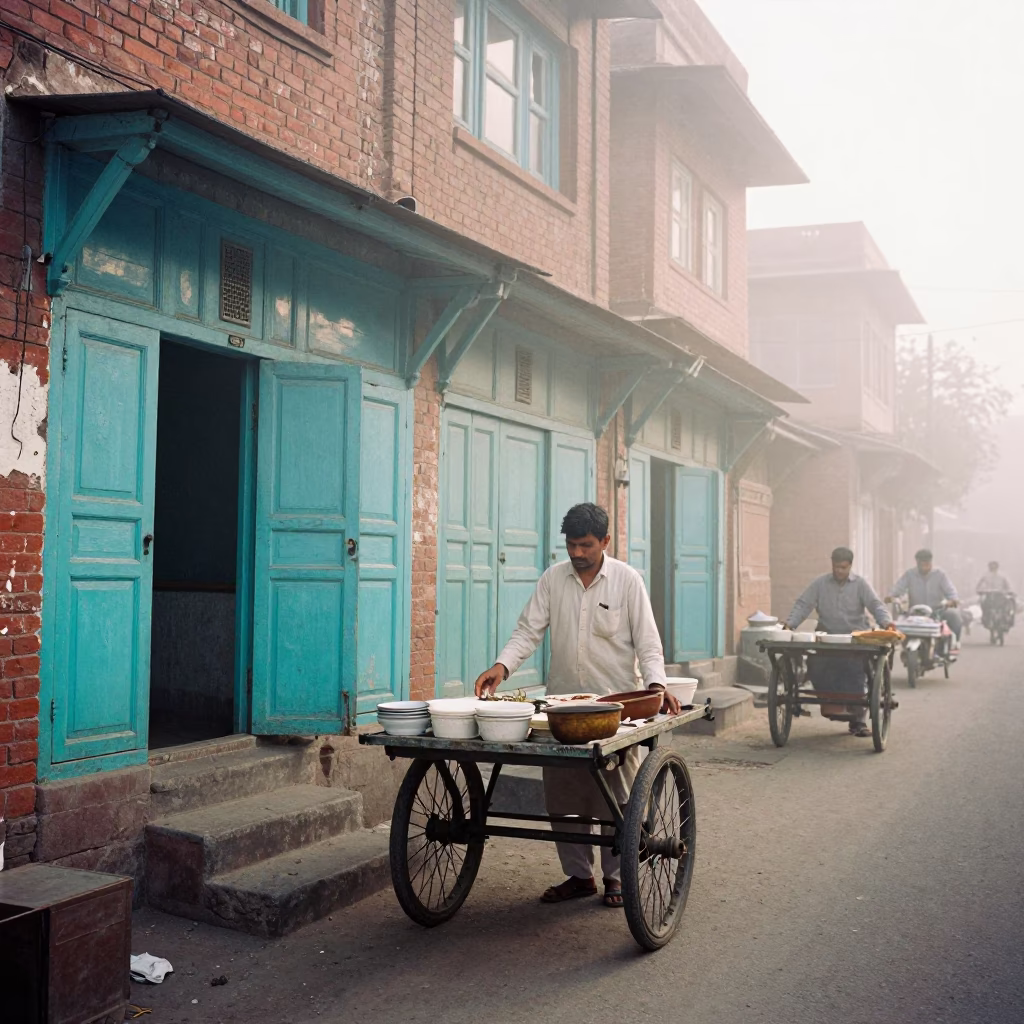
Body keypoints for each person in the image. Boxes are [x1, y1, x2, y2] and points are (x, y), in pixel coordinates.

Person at [473, 502, 679, 909]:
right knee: (564, 796)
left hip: (617, 711)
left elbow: (648, 642)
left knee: (618, 796)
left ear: (605, 541)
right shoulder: (553, 579)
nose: (578, 553)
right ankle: (579, 876)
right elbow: (527, 632)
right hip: (563, 709)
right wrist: (501, 667)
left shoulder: (627, 581)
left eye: (586, 545)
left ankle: (616, 877)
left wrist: (657, 686)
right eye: (571, 545)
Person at [782, 546, 893, 738]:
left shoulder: (860, 584)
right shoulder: (820, 583)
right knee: (816, 664)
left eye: (843, 567)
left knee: (855, 669)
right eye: (836, 567)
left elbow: (875, 605)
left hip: (855, 639)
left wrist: (887, 623)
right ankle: (830, 702)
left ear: (850, 566)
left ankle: (857, 719)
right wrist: (789, 625)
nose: (839, 571)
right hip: (827, 637)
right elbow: (803, 604)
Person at [887, 549, 962, 641]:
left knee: (954, 616)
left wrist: (953, 600)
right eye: (921, 564)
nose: (924, 567)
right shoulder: (910, 575)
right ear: (917, 563)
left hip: (936, 612)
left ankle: (954, 643)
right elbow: (897, 589)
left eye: (927, 564)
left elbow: (950, 591)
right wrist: (892, 597)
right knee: (896, 622)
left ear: (931, 562)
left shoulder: (940, 575)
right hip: (915, 613)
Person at [977, 561, 1015, 630]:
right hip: (989, 595)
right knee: (983, 604)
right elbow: (979, 585)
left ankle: (1009, 618)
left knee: (1009, 604)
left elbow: (1008, 585)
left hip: (1000, 595)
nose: (993, 568)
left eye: (994, 567)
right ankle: (984, 617)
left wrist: (1009, 592)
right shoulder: (985, 575)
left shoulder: (1002, 575)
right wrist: (980, 591)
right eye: (991, 567)